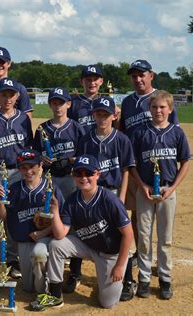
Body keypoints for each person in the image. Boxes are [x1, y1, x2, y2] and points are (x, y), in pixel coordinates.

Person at [29, 155, 133, 311]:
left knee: (107, 303)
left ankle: (126, 274)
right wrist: (55, 211)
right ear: (73, 176)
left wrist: (119, 265)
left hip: (109, 253)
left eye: (88, 173)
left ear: (98, 174)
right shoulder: (72, 200)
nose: (84, 178)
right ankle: (55, 295)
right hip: (88, 246)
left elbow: (128, 234)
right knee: (57, 245)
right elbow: (59, 234)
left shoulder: (110, 200)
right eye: (79, 174)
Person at [69, 96, 136, 298]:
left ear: (114, 116)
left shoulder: (122, 139)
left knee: (118, 234)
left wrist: (122, 196)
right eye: (98, 114)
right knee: (81, 228)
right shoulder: (86, 139)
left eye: (106, 114)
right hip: (90, 190)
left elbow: (126, 170)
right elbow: (80, 169)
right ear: (93, 115)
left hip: (113, 191)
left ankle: (128, 278)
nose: (102, 118)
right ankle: (74, 273)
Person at [130, 90, 191, 300]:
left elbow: (185, 163)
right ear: (150, 109)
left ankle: (165, 278)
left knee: (165, 238)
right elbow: (132, 164)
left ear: (170, 109)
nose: (158, 111)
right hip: (145, 191)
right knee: (144, 236)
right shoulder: (140, 132)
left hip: (167, 190)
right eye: (155, 107)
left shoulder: (176, 132)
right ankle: (144, 279)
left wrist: (172, 188)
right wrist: (142, 185)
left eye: (163, 107)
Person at [0, 77, 33, 277]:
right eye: (3, 94)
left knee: (14, 212)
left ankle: (11, 256)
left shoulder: (23, 120)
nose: (7, 98)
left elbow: (28, 148)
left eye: (11, 94)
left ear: (17, 96)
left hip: (17, 171)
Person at [0, 149, 65, 293]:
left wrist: (44, 233)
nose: (28, 171)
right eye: (24, 167)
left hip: (46, 239)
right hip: (23, 241)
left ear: (40, 166)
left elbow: (63, 220)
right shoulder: (14, 189)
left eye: (32, 167)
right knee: (28, 287)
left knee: (39, 255)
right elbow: (4, 217)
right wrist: (1, 202)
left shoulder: (51, 189)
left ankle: (44, 292)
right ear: (19, 169)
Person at [33, 87, 85, 199]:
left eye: (61, 103)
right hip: (50, 176)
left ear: (68, 104)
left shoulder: (77, 128)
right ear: (50, 105)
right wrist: (41, 159)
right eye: (54, 103)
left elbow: (83, 154)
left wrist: (76, 160)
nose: (58, 107)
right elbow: (35, 153)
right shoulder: (42, 129)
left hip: (71, 177)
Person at [68, 65, 104, 132]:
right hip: (81, 141)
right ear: (81, 82)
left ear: (101, 81)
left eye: (95, 79)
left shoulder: (106, 101)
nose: (92, 83)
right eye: (88, 80)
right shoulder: (73, 103)